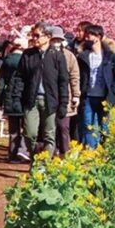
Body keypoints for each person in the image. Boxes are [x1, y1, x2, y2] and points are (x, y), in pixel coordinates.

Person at [18, 23, 69, 160]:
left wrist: (63, 104)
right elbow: (20, 78)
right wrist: (17, 98)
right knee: (29, 133)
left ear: (48, 37)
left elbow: (63, 82)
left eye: (37, 35)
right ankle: (35, 158)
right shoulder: (28, 55)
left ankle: (44, 165)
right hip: (31, 100)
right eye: (32, 35)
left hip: (50, 101)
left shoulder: (57, 56)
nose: (34, 38)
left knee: (49, 135)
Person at [76, 25, 115, 149]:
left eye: (90, 34)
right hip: (88, 96)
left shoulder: (111, 55)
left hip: (105, 96)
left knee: (104, 126)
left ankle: (105, 151)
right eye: (86, 34)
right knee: (88, 125)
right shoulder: (83, 55)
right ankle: (91, 152)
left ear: (99, 37)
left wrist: (113, 91)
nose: (87, 37)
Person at [0, 36, 29, 163]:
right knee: (27, 127)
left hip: (10, 97)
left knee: (13, 130)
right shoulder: (27, 61)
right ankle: (23, 150)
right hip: (24, 96)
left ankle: (13, 155)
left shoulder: (6, 61)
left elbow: (0, 83)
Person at [49, 27, 79, 157]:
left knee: (63, 126)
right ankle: (51, 152)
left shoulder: (69, 56)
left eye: (58, 40)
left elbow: (74, 76)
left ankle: (64, 153)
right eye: (54, 40)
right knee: (49, 127)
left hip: (65, 96)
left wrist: (76, 95)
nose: (56, 43)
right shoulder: (44, 55)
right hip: (49, 95)